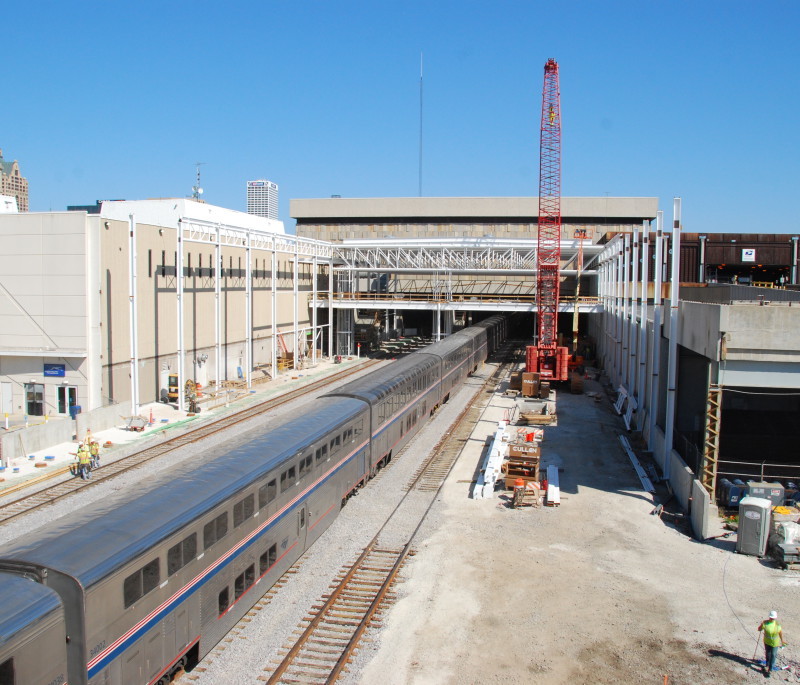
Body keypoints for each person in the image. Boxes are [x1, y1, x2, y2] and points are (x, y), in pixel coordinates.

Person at [758, 610, 785, 676]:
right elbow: (759, 629)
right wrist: (761, 625)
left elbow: (780, 632)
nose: (772, 619)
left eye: (773, 618)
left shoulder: (777, 625)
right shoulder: (765, 623)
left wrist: (782, 641)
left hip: (775, 643)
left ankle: (771, 668)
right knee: (768, 654)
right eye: (771, 618)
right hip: (767, 642)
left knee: (773, 655)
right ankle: (767, 665)